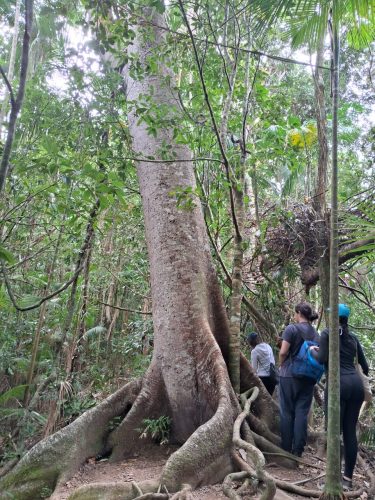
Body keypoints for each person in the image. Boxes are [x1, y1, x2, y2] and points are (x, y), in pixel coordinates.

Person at [311, 303, 369, 490]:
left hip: (338, 385)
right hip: (356, 386)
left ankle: (332, 480)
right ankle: (348, 480)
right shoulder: (353, 338)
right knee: (350, 433)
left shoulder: (328, 333)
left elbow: (321, 359)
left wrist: (313, 351)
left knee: (334, 432)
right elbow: (365, 367)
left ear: (334, 317)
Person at [278, 302, 320, 457]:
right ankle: (298, 450)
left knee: (286, 412)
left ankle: (285, 447)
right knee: (302, 413)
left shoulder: (291, 329)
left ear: (298, 313)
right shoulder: (317, 334)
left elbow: (283, 352)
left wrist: (281, 365)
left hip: (289, 375)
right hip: (309, 378)